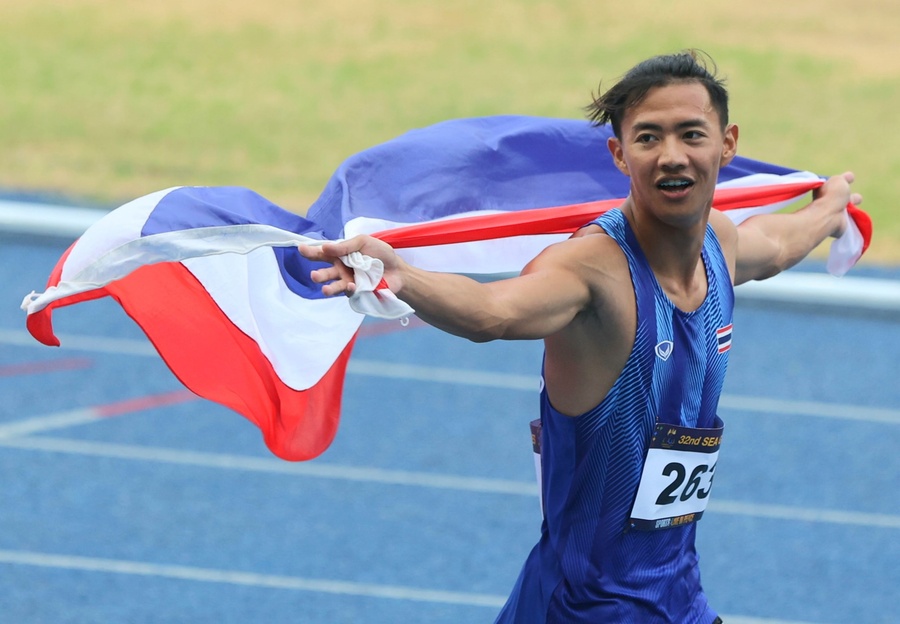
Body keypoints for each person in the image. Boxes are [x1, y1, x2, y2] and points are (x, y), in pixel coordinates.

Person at [299, 50, 862, 623]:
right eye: (648, 138)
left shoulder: (719, 242)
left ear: (727, 144)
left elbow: (775, 245)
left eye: (691, 134)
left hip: (677, 601)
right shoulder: (591, 273)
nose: (672, 156)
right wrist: (403, 277)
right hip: (581, 610)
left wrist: (831, 210)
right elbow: (494, 313)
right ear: (620, 154)